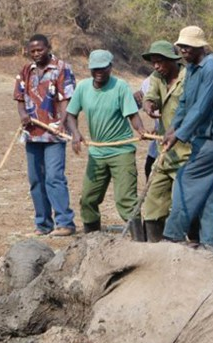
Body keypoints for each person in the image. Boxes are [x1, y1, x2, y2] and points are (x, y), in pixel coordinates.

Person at [162, 26, 213, 251]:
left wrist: (180, 135)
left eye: (187, 47)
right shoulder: (192, 69)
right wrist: (172, 127)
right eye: (181, 46)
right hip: (203, 137)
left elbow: (201, 108)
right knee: (209, 189)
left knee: (186, 179)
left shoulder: (211, 69)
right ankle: (208, 243)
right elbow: (185, 103)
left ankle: (172, 235)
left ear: (199, 47)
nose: (182, 50)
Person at [65, 49, 146, 241]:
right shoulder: (83, 87)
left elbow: (132, 114)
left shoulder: (120, 87)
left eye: (103, 68)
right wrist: (75, 133)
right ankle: (92, 242)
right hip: (97, 152)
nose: (99, 72)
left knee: (125, 200)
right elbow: (71, 114)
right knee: (88, 199)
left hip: (121, 152)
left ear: (110, 67)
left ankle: (140, 243)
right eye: (95, 69)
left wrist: (141, 130)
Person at [13, 34, 76, 237]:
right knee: (36, 179)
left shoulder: (61, 68)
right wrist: (23, 115)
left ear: (48, 47)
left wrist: (63, 122)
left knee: (54, 177)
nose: (36, 54)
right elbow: (20, 98)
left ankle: (65, 223)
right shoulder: (26, 70)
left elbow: (67, 100)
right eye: (32, 51)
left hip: (54, 134)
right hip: (32, 134)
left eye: (40, 50)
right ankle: (43, 225)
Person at [140, 40, 192, 242]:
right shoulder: (156, 77)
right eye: (153, 62)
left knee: (184, 203)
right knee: (153, 200)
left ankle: (192, 243)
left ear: (172, 61)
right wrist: (149, 104)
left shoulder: (189, 78)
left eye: (160, 62)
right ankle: (155, 247)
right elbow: (151, 95)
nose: (156, 66)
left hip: (187, 152)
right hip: (165, 153)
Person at [133, 76, 159, 181]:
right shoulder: (149, 81)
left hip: (181, 147)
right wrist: (133, 98)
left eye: (161, 60)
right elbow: (134, 106)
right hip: (157, 146)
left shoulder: (186, 78)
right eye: (154, 61)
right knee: (149, 168)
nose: (157, 66)